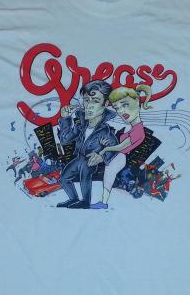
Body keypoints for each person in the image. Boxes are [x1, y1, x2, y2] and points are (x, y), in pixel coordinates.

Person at [56, 80, 119, 209]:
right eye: (86, 100)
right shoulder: (81, 125)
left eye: (95, 101)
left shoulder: (105, 131)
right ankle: (73, 199)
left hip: (90, 161)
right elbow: (64, 140)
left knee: (84, 176)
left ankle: (85, 202)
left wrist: (102, 156)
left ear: (106, 104)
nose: (89, 106)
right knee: (63, 179)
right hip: (79, 158)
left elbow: (115, 148)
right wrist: (65, 118)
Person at [89, 84, 152, 209]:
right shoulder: (132, 128)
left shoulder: (138, 131)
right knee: (105, 175)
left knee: (108, 177)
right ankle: (102, 202)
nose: (121, 111)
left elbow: (121, 147)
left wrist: (105, 149)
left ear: (137, 102)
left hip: (119, 156)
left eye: (125, 105)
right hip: (116, 155)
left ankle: (103, 203)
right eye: (117, 108)